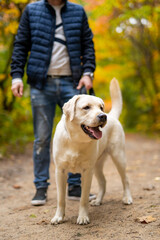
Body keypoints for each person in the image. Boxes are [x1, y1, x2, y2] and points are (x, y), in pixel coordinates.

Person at [11, 0, 96, 205]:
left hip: (73, 84)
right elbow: (21, 44)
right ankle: (41, 187)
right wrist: (16, 76)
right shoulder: (32, 10)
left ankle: (75, 186)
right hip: (41, 84)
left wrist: (88, 72)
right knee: (42, 137)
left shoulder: (78, 11)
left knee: (78, 133)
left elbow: (88, 44)